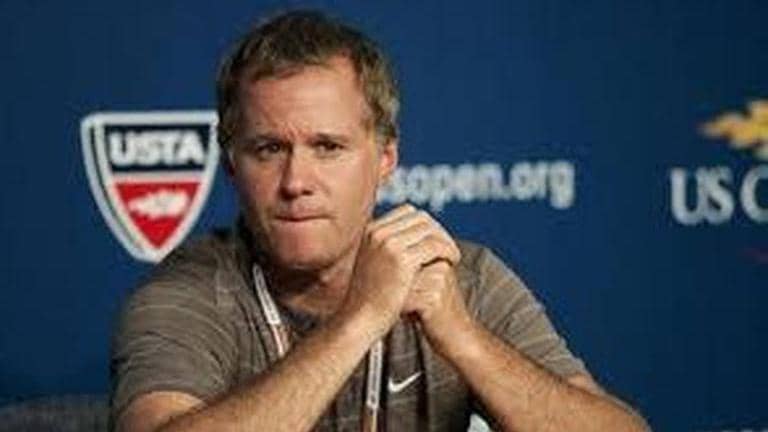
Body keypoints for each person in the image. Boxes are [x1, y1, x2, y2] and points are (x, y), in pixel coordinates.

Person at [110, 10, 650, 432]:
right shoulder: (187, 294)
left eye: (328, 147)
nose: (296, 181)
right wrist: (360, 318)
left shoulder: (458, 278)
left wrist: (464, 338)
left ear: (386, 158)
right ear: (231, 163)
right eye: (268, 149)